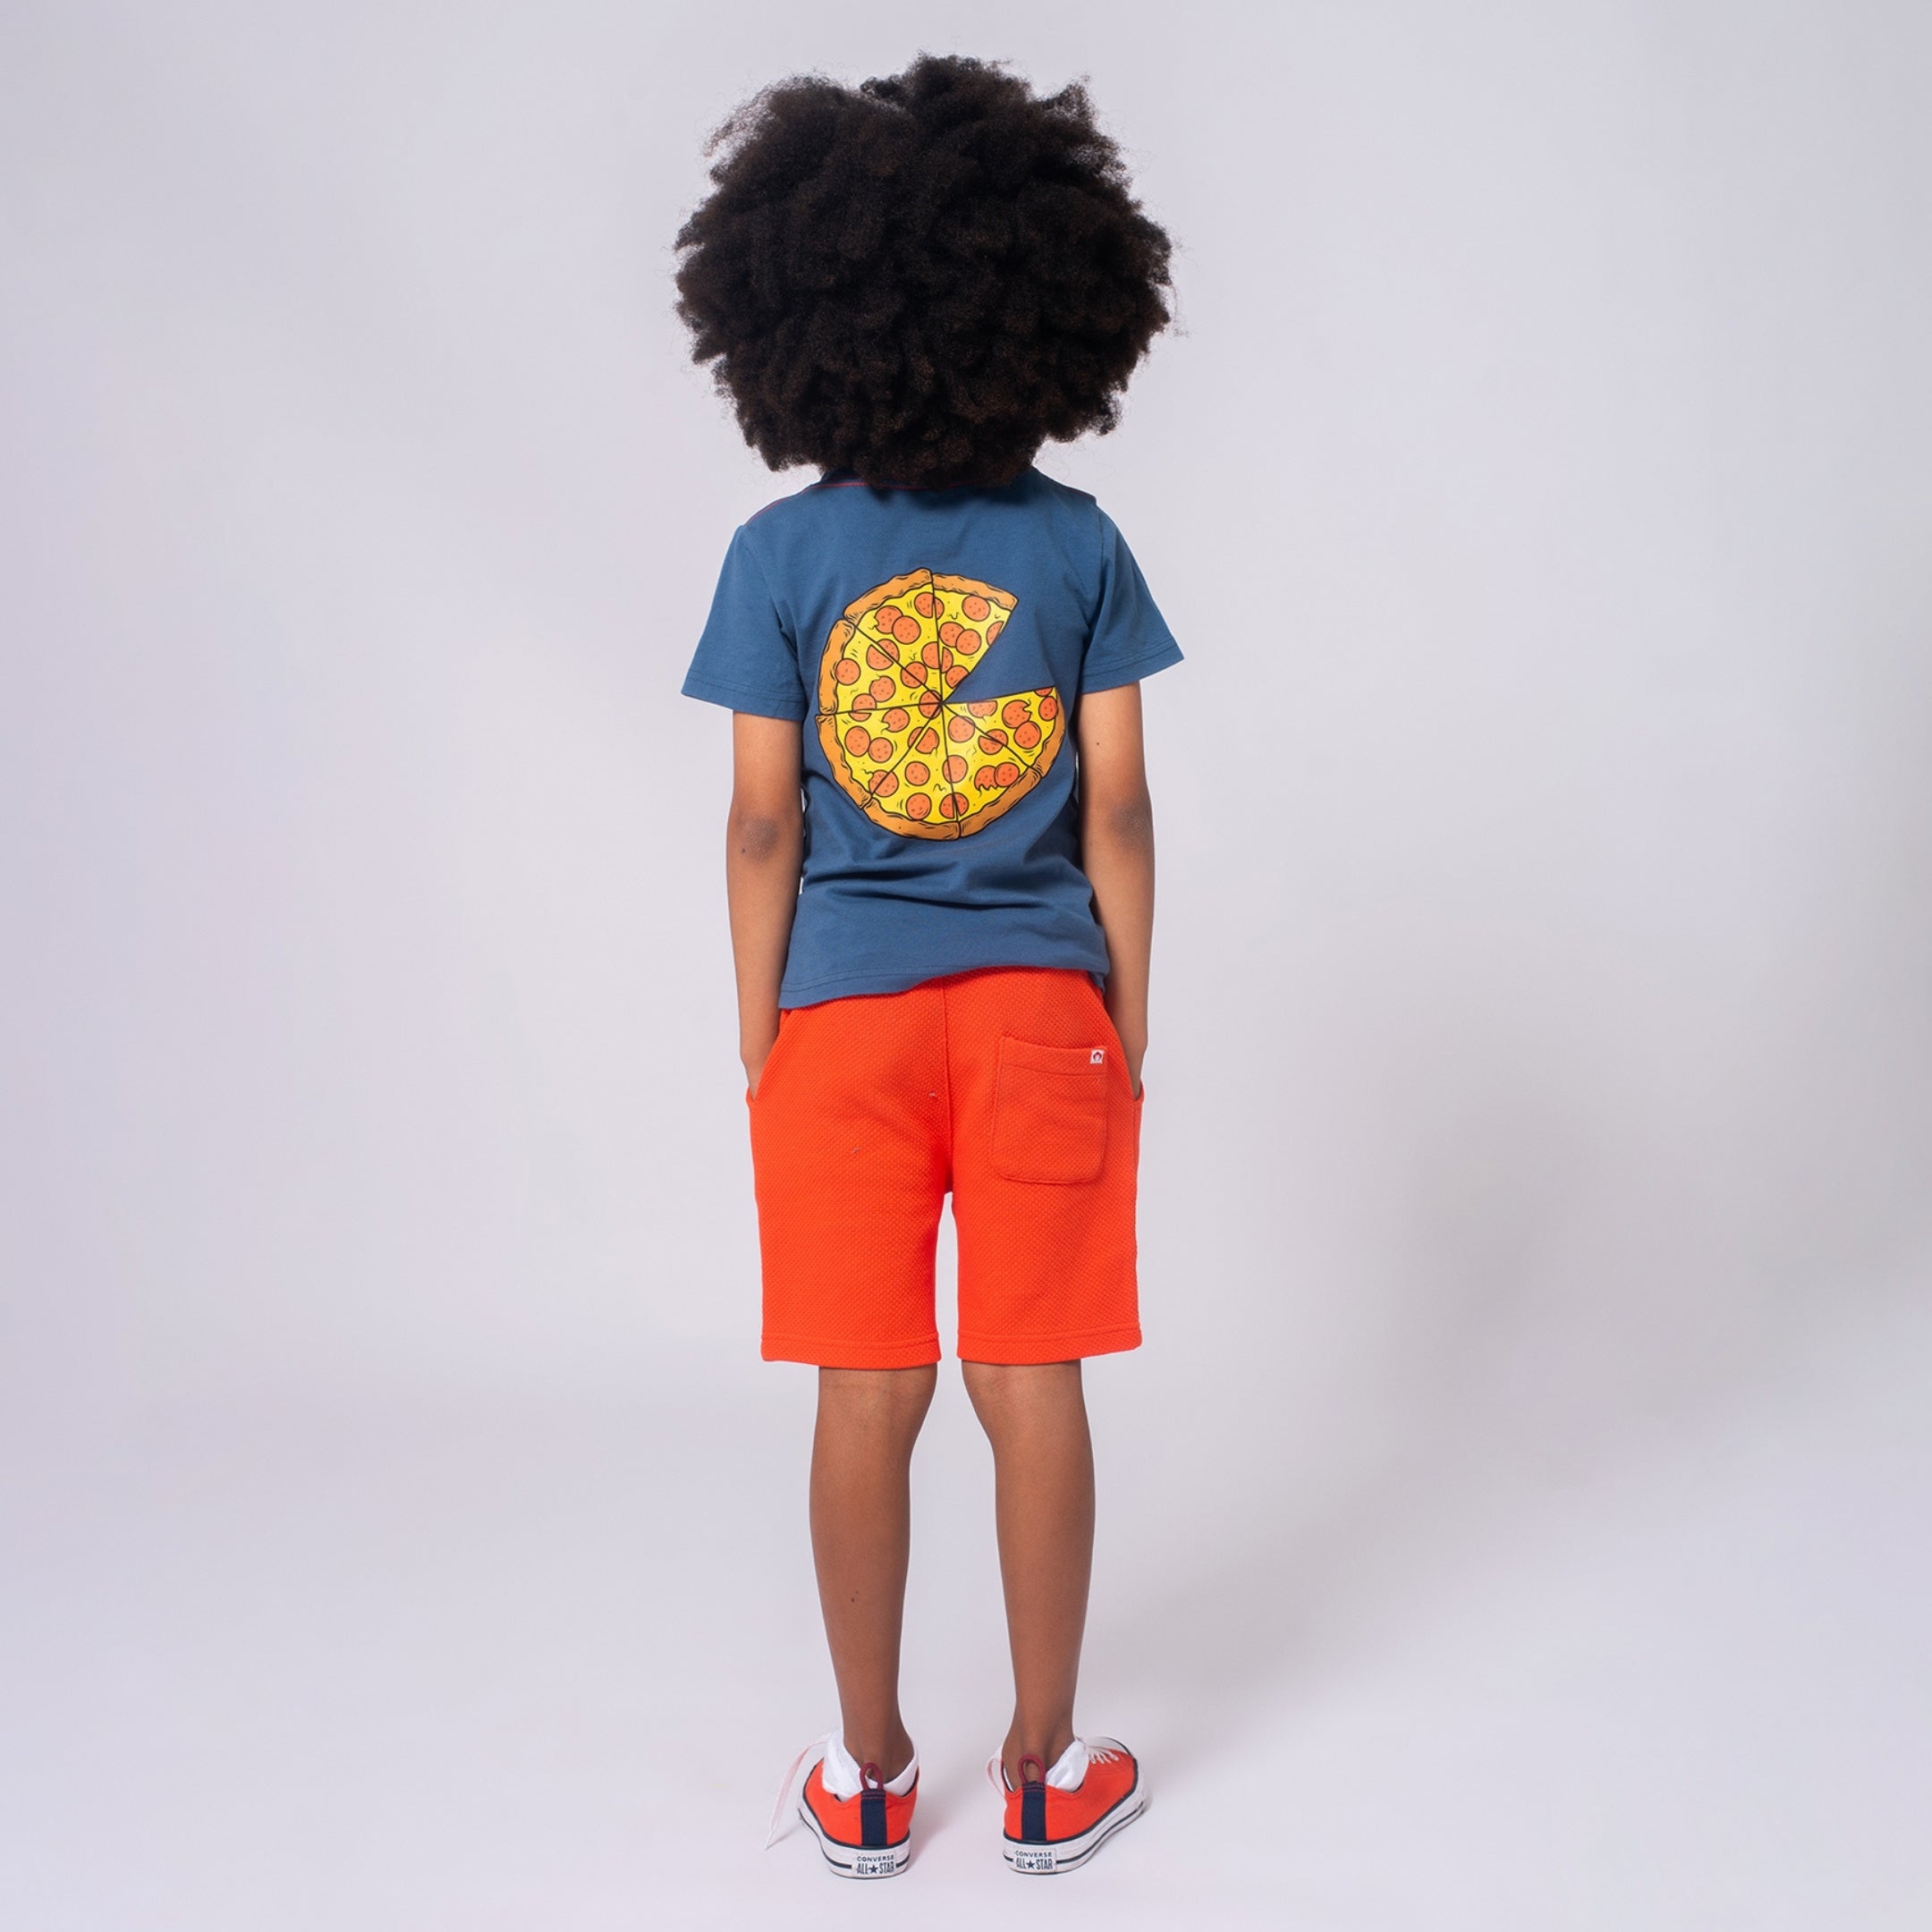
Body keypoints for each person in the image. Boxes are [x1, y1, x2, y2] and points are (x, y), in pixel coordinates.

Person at [675, 54, 1180, 1878]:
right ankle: (1047, 1767)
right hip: (1044, 1010)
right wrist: (1125, 1008)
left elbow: (762, 825)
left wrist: (762, 1022)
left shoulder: (778, 556)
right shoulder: (1078, 546)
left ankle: (872, 1770)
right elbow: (1117, 807)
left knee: (865, 1388)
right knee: (1031, 1376)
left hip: (841, 1018)